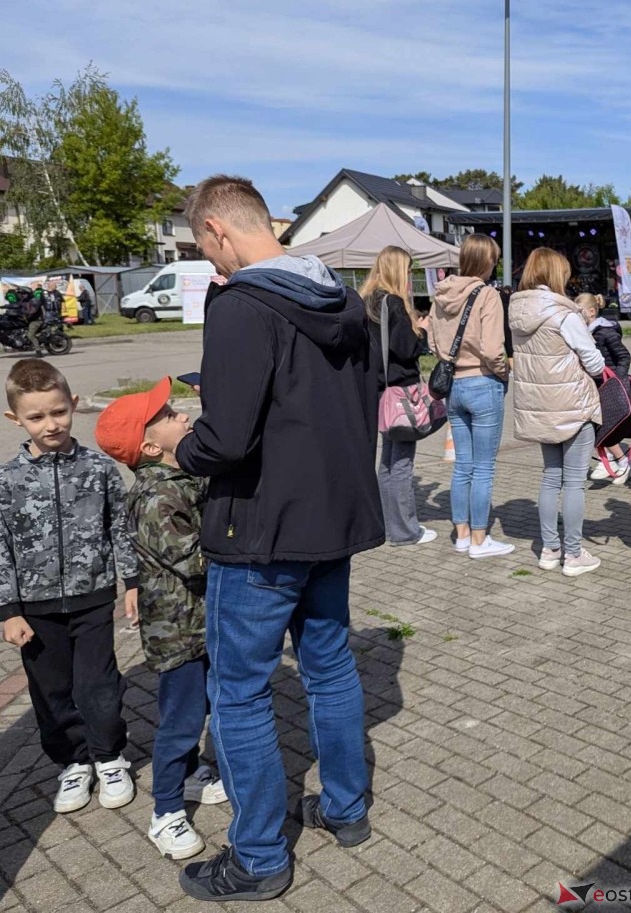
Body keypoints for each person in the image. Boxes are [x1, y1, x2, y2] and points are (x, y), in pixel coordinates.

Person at [175, 175, 383, 902]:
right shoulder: (347, 300)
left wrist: (177, 446)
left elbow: (227, 436)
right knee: (328, 668)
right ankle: (346, 810)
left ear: (218, 232)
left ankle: (259, 857)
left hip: (260, 528)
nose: (209, 262)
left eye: (203, 245)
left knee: (239, 692)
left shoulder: (242, 305)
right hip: (332, 521)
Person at [95, 378, 227, 861]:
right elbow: (196, 560)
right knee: (181, 720)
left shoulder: (179, 479)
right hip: (178, 634)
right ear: (151, 446)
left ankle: (191, 776)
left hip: (199, 623)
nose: (182, 415)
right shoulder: (155, 499)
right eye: (170, 414)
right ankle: (165, 812)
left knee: (203, 709)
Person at [0, 359, 139, 816]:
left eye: (58, 412)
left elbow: (120, 527)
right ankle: (74, 761)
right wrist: (8, 610)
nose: (51, 424)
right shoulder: (7, 480)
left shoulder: (98, 468)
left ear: (74, 406)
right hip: (34, 608)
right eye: (36, 417)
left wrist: (132, 580)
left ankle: (109, 756)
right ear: (14, 419)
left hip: (93, 598)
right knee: (51, 688)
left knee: (99, 684)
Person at [508, 247, 604, 577]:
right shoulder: (565, 314)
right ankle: (573, 554)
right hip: (573, 406)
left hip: (540, 408)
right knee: (575, 483)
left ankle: (549, 549)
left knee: (551, 478)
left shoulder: (517, 312)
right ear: (555, 274)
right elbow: (594, 361)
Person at [429, 234, 513, 556]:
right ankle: (480, 539)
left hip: (455, 387)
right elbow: (494, 349)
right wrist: (504, 373)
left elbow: (435, 345)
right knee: (484, 468)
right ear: (486, 261)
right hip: (483, 382)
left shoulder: (441, 295)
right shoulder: (487, 295)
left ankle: (461, 533)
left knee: (462, 465)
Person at [361, 246, 436, 546]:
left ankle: (389, 525)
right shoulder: (392, 303)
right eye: (407, 270)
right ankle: (406, 531)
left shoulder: (367, 300)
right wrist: (422, 330)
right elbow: (405, 349)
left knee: (388, 462)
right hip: (401, 392)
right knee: (402, 463)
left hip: (379, 390)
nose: (409, 276)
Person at [576, 292, 631, 485]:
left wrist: (617, 379)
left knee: (600, 426)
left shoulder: (605, 332)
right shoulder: (586, 332)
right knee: (596, 426)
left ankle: (615, 461)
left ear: (591, 311)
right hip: (594, 385)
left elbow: (624, 356)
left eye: (580, 312)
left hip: (607, 386)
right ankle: (617, 461)